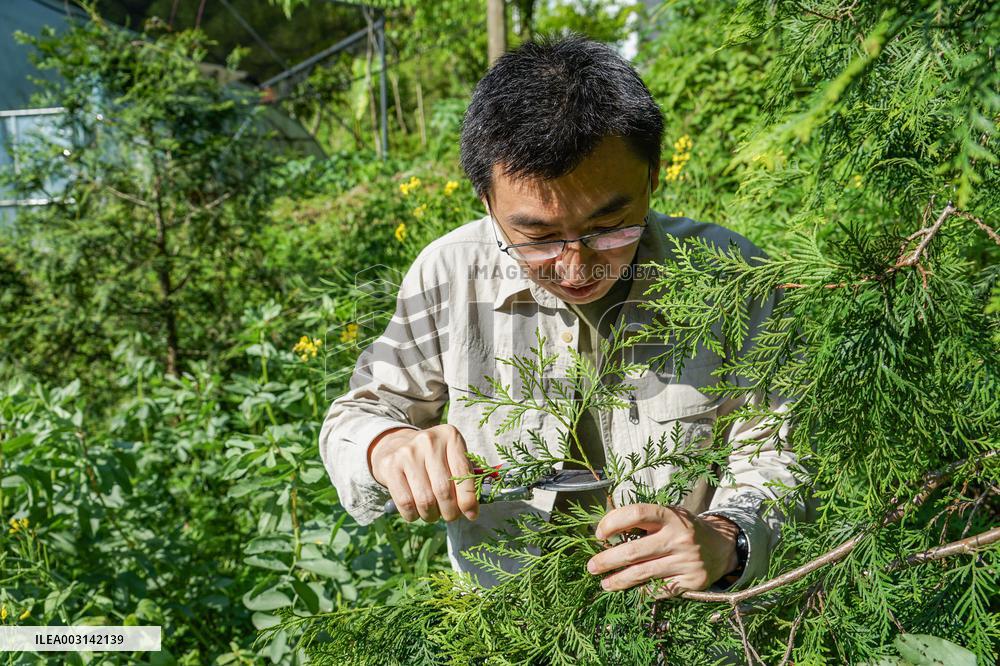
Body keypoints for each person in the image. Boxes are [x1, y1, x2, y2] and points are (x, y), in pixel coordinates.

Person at [320, 36, 803, 595]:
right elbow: (356, 416)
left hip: (688, 624)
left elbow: (779, 451)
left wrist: (727, 538)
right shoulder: (449, 275)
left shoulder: (733, 276)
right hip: (508, 625)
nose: (576, 265)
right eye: (538, 237)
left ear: (652, 178)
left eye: (610, 226)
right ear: (486, 201)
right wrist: (389, 448)